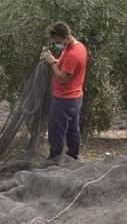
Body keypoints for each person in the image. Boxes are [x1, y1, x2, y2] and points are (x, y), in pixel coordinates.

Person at [40, 22, 88, 161]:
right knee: (73, 128)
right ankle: (73, 154)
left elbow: (62, 77)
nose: (57, 44)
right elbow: (65, 65)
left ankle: (55, 158)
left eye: (58, 42)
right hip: (76, 97)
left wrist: (52, 63)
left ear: (66, 37)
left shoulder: (73, 54)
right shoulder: (78, 47)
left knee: (56, 130)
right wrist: (54, 59)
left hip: (64, 99)